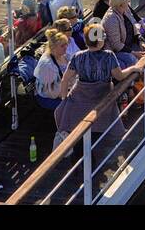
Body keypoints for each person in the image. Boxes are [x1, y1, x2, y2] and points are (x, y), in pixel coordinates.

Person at [54, 19, 135, 156]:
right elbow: (120, 76)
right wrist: (133, 68)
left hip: (79, 101)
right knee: (96, 139)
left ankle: (80, 160)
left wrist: (64, 98)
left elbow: (65, 79)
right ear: (100, 40)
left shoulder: (78, 56)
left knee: (79, 138)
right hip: (100, 100)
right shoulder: (109, 56)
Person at [33, 28, 71, 111]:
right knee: (73, 106)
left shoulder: (64, 56)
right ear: (53, 47)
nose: (66, 47)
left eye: (66, 44)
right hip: (48, 97)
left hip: (63, 90)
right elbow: (51, 92)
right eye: (62, 46)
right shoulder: (47, 65)